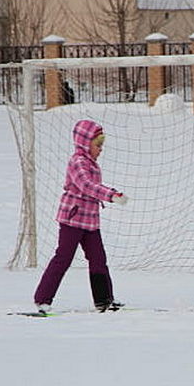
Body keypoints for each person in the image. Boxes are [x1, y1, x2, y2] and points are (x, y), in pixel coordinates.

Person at [33, 119, 128, 313]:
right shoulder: (78, 162)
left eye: (102, 144)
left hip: (90, 221)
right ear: (85, 143)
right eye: (98, 144)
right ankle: (42, 299)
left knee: (98, 259)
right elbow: (86, 186)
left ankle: (104, 301)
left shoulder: (91, 163)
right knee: (64, 257)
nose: (101, 149)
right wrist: (110, 194)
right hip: (72, 220)